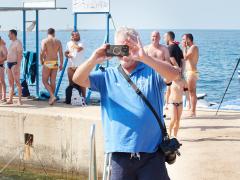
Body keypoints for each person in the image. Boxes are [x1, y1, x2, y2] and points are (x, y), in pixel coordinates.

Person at [73, 27, 180, 180]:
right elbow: (78, 79)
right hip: (120, 157)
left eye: (129, 48)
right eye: (121, 48)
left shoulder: (152, 71)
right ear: (114, 49)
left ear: (139, 46)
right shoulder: (107, 76)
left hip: (152, 155)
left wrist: (145, 57)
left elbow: (175, 74)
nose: (125, 53)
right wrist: (93, 59)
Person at [40, 28, 63, 105]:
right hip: (55, 62)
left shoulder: (45, 41)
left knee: (44, 81)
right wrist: (61, 64)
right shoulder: (58, 41)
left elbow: (42, 52)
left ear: (47, 33)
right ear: (54, 33)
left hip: (48, 61)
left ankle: (52, 96)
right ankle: (52, 98)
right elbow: (61, 54)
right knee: (53, 81)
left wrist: (41, 60)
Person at [65, 31, 86, 103]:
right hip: (71, 66)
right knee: (71, 84)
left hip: (80, 66)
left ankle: (84, 99)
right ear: (72, 36)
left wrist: (73, 42)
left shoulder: (82, 42)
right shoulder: (68, 43)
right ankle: (71, 99)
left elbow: (79, 49)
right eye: (76, 35)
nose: (78, 36)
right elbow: (66, 52)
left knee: (82, 83)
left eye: (78, 35)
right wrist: (67, 55)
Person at [182, 33, 199, 117]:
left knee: (192, 92)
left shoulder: (193, 47)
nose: (183, 41)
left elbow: (185, 57)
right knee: (191, 92)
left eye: (184, 39)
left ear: (188, 39)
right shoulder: (191, 48)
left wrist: (184, 48)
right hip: (190, 72)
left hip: (192, 72)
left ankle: (193, 112)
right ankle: (191, 109)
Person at [168, 73, 188, 138]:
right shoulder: (170, 81)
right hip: (172, 103)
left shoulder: (183, 82)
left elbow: (186, 92)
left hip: (180, 103)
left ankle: (175, 136)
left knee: (178, 120)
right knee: (173, 119)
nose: (177, 74)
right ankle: (169, 133)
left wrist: (189, 102)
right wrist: (166, 104)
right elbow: (168, 93)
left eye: (178, 72)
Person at [6, 29, 23, 105]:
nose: (8, 35)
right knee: (10, 83)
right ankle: (10, 100)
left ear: (13, 34)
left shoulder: (18, 43)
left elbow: (20, 55)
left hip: (14, 64)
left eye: (9, 34)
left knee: (17, 82)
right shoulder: (12, 43)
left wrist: (17, 66)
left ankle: (19, 100)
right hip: (9, 64)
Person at [0, 36, 7, 102]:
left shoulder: (2, 47)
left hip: (1, 65)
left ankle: (4, 96)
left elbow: (6, 57)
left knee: (2, 81)